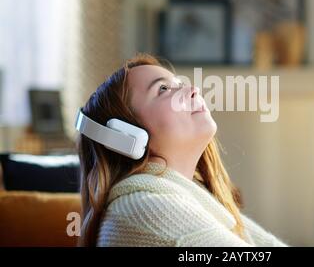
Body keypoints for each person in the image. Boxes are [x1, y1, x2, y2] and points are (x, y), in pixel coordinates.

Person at [76, 53, 288, 247]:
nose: (192, 89)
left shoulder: (193, 198)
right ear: (125, 136)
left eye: (179, 83)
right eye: (163, 89)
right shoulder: (144, 211)